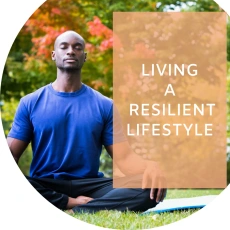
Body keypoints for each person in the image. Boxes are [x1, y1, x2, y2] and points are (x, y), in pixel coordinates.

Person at [7, 30, 167, 213]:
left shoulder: (104, 105)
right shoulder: (30, 103)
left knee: (150, 187)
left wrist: (151, 166)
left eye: (77, 47)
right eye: (64, 46)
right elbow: (11, 155)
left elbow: (125, 159)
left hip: (90, 185)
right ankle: (71, 205)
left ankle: (80, 209)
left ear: (84, 57)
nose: (70, 51)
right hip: (45, 185)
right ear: (54, 55)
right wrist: (68, 200)